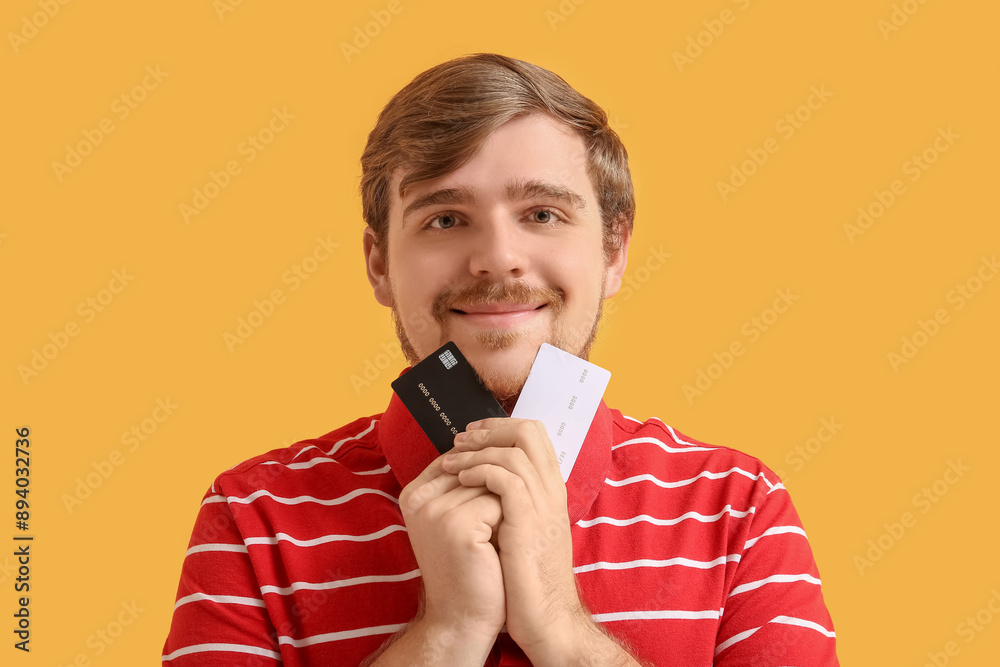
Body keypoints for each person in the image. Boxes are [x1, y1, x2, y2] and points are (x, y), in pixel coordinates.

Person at [163, 53, 838, 666]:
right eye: (446, 219)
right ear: (378, 263)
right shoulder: (253, 517)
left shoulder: (739, 510)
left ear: (613, 250)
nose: (497, 258)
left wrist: (561, 628)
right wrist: (444, 635)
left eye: (542, 214)